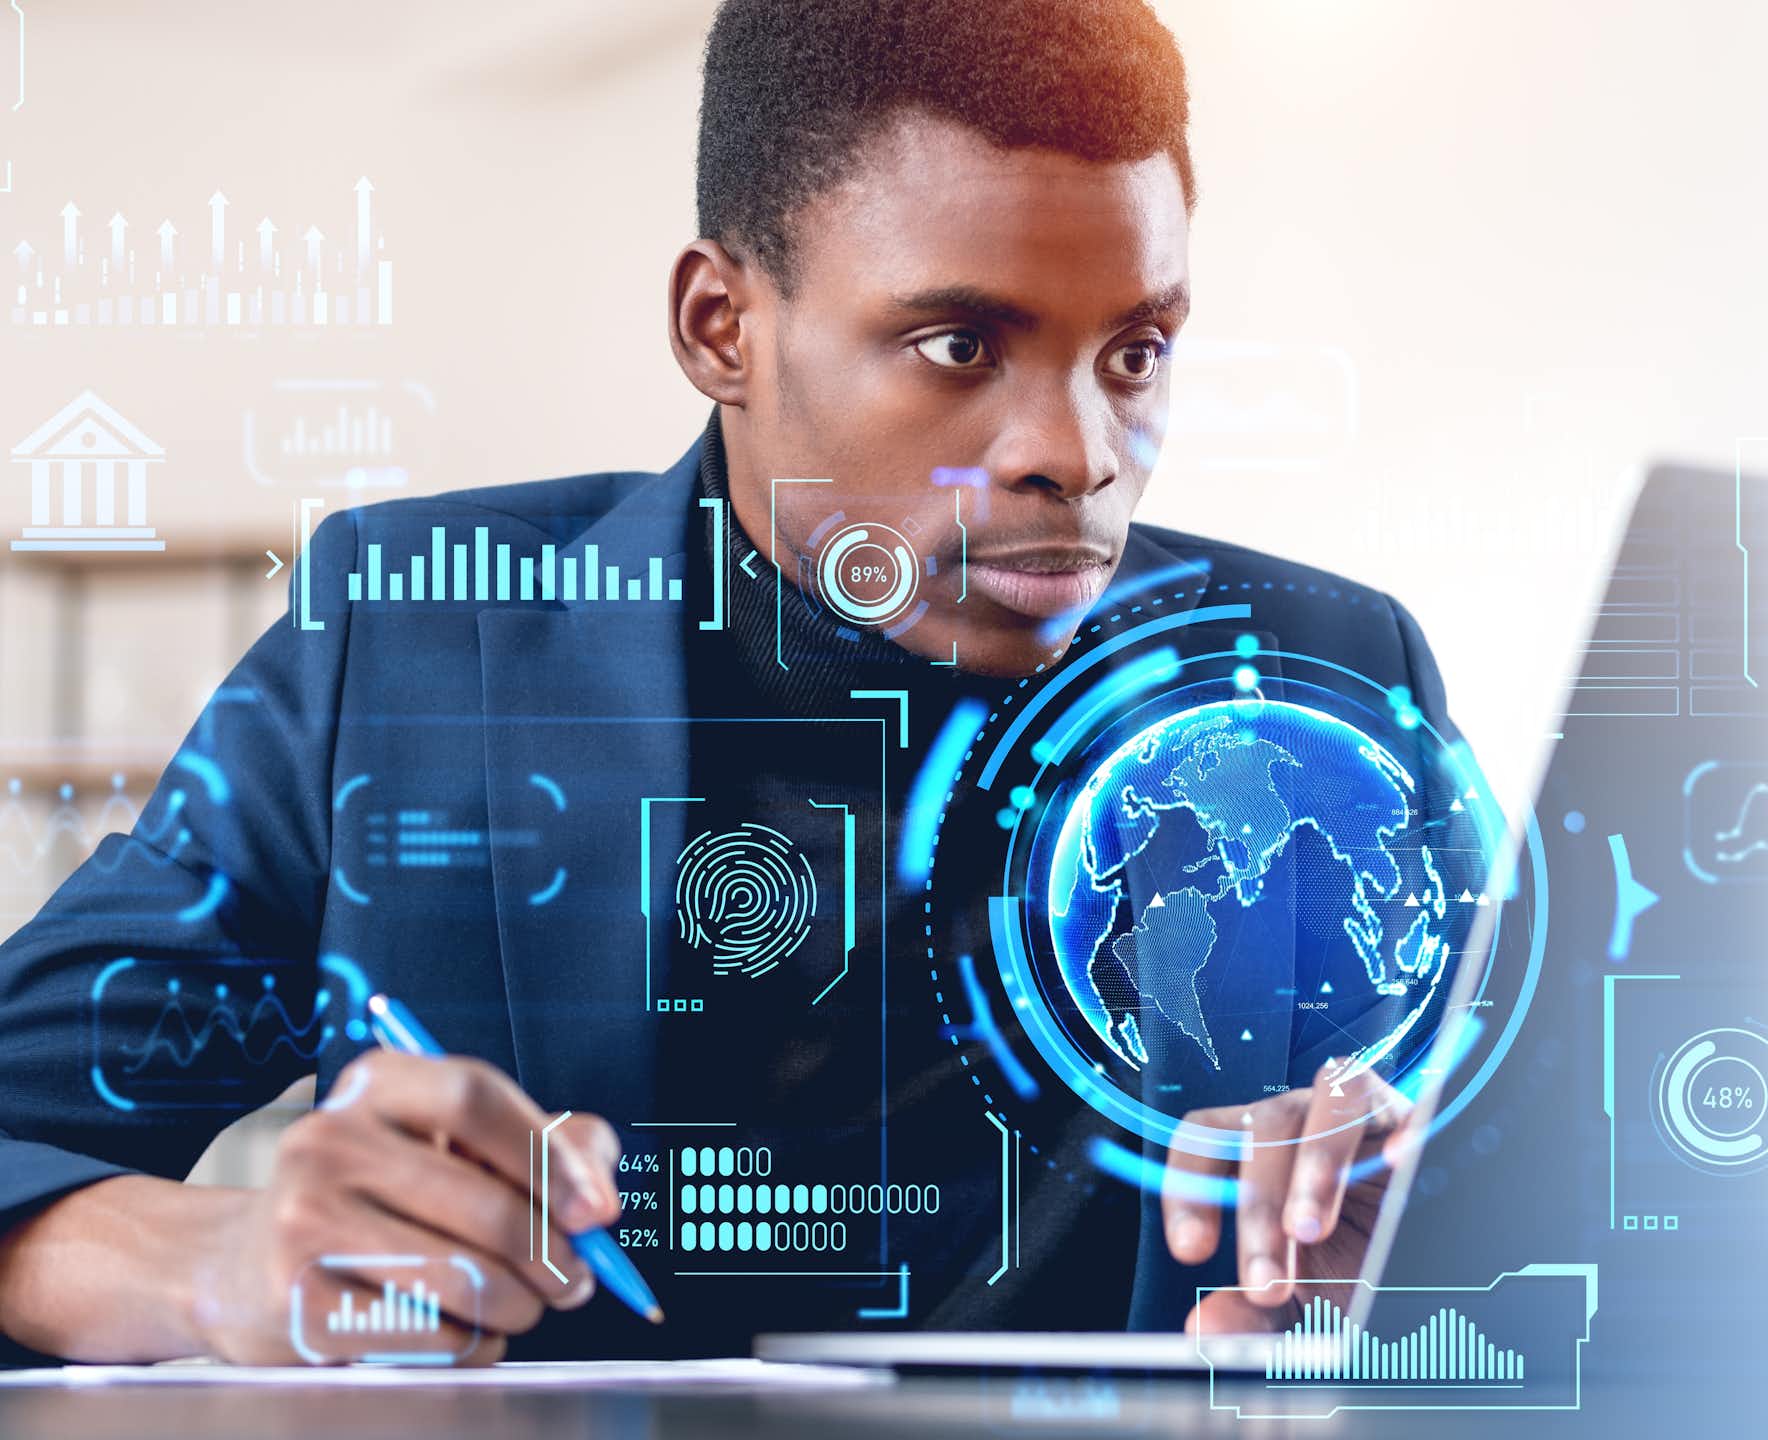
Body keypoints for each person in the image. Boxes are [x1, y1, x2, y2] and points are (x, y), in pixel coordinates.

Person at [0, 0, 1460, 1365]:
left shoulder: (1324, 683)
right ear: (721, 328)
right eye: (961, 345)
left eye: (1136, 351)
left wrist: (1419, 1287)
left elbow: (1567, 1238)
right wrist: (214, 1258)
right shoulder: (416, 640)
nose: (1077, 454)